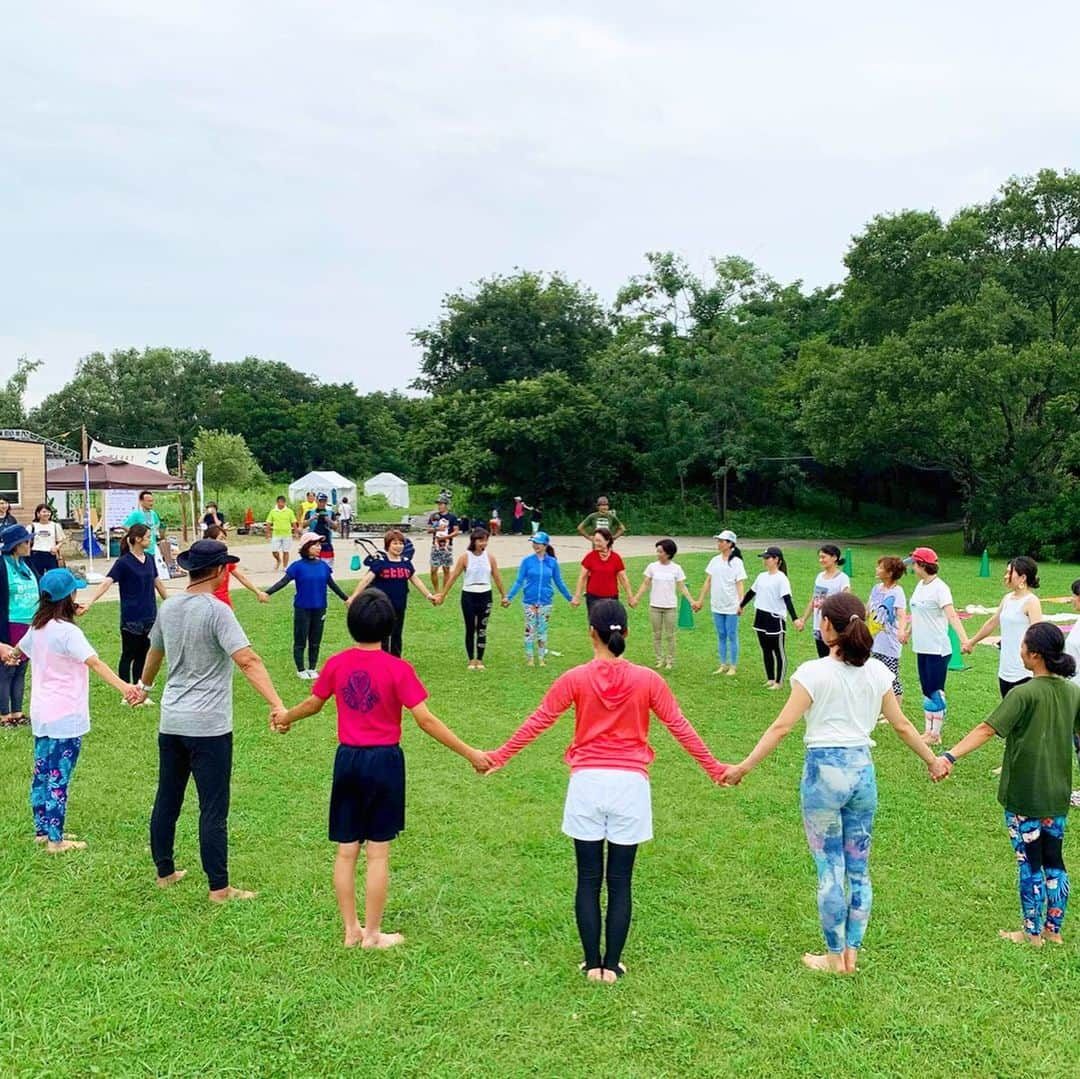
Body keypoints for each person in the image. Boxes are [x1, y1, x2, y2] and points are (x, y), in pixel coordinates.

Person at [481, 599, 728, 982]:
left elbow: (539, 721)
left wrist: (499, 756)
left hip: (588, 785)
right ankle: (611, 964)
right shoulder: (648, 679)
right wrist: (713, 769)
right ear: (625, 632)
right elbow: (680, 726)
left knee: (588, 878)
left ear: (591, 633)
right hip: (630, 787)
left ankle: (590, 961)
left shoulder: (576, 678)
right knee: (620, 881)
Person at [723, 593, 947, 974]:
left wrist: (744, 767)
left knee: (830, 869)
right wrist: (933, 760)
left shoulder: (813, 673)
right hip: (862, 772)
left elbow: (781, 727)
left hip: (823, 775)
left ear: (827, 626)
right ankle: (852, 956)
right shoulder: (878, 673)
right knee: (858, 869)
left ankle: (834, 956)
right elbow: (902, 724)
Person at [270, 590, 490, 948]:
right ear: (390, 626)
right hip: (384, 762)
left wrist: (285, 717)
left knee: (346, 850)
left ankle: (350, 930)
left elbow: (313, 704)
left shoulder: (337, 663)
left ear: (350, 623)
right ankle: (372, 934)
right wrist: (470, 753)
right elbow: (426, 720)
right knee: (378, 852)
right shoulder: (398, 669)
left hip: (348, 760)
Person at [139, 539, 285, 902]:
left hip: (171, 720)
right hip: (209, 726)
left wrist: (144, 685)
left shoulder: (169, 606)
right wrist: (277, 704)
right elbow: (248, 660)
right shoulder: (218, 610)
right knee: (213, 807)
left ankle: (165, 872)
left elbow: (154, 652)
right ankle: (219, 888)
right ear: (220, 571)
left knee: (168, 797)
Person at [939, 622, 1080, 946]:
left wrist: (949, 756)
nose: (1018, 650)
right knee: (1054, 861)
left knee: (1030, 863)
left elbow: (987, 729)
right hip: (1057, 793)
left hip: (1024, 795)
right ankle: (1053, 932)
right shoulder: (1073, 692)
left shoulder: (1024, 693)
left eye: (1022, 646)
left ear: (1034, 655)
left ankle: (1031, 933)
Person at [0, 569, 141, 853]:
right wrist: (126, 688)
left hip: (42, 713)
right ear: (69, 597)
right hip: (65, 716)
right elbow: (95, 663)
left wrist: (8, 653)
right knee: (58, 777)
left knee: (42, 773)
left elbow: (16, 653)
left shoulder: (37, 628)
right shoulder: (68, 632)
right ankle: (56, 840)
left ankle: (43, 830)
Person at [79, 523, 169, 694]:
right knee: (128, 654)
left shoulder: (149, 559)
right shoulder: (123, 563)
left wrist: (172, 604)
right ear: (137, 539)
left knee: (143, 655)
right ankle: (125, 690)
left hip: (150, 615)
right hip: (131, 617)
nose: (151, 540)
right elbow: (106, 583)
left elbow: (158, 584)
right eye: (148, 537)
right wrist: (90, 602)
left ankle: (139, 689)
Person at [905, 546, 969, 745]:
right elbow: (915, 612)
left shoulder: (940, 588)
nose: (912, 568)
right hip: (921, 647)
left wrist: (965, 639)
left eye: (914, 564)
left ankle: (935, 734)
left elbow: (951, 615)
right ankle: (928, 731)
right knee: (926, 689)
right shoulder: (920, 586)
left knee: (935, 690)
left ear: (922, 565)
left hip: (937, 649)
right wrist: (907, 632)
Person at [265, 532, 349, 678]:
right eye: (315, 544)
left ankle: (312, 667)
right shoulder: (297, 566)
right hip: (302, 608)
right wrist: (267, 593)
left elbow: (332, 585)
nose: (319, 547)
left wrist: (346, 599)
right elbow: (283, 582)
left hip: (320, 607)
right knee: (301, 639)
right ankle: (301, 669)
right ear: (306, 547)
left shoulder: (323, 566)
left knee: (315, 640)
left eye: (319, 544)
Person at [346, 529, 437, 657]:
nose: (398, 546)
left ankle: (395, 660)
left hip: (399, 604)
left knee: (396, 633)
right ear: (387, 545)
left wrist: (429, 595)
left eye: (401, 543)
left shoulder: (405, 562)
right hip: (382, 606)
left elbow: (415, 579)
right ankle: (381, 659)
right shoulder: (380, 562)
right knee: (382, 634)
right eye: (395, 543)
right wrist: (354, 596)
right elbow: (367, 579)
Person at [963, 556, 1044, 698]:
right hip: (1005, 669)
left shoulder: (1031, 602)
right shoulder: (1007, 598)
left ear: (1022, 577)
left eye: (1009, 573)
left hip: (1024, 672)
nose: (1006, 576)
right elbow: (992, 622)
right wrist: (971, 642)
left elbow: (1038, 635)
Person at [438, 527, 507, 670]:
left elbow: (497, 577)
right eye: (480, 540)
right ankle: (471, 659)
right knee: (470, 628)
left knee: (482, 628)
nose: (483, 544)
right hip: (469, 595)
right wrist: (443, 594)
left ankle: (480, 659)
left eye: (485, 541)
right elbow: (453, 577)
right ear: (474, 541)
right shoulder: (465, 557)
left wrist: (503, 595)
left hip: (485, 594)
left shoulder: (490, 557)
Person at [503, 532, 573, 667]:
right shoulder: (527, 561)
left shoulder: (552, 563)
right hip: (529, 601)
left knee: (542, 630)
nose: (535, 545)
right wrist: (509, 597)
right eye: (534, 543)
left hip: (545, 602)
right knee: (530, 630)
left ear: (545, 545)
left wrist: (570, 598)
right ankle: (530, 658)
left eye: (538, 543)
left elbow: (559, 582)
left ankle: (541, 657)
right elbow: (519, 581)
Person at [738, 546, 797, 690]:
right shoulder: (761, 576)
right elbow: (751, 593)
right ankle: (770, 678)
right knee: (765, 649)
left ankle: (779, 681)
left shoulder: (781, 579)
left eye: (767, 558)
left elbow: (787, 599)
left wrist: (795, 618)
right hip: (761, 616)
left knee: (778, 650)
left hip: (774, 618)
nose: (765, 561)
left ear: (776, 559)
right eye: (764, 558)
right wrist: (741, 605)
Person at [633, 539, 696, 671]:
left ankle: (670, 660)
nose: (658, 553)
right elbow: (646, 583)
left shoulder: (676, 568)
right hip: (655, 606)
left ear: (668, 553)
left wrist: (692, 601)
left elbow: (682, 587)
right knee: (656, 634)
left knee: (670, 635)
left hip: (670, 607)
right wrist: (636, 598)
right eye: (657, 551)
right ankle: (659, 659)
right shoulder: (652, 567)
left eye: (660, 551)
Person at [0, 524, 39, 726]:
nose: (29, 544)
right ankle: (3, 714)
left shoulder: (26, 564)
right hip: (11, 624)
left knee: (22, 668)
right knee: (8, 669)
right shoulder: (2, 565)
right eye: (25, 541)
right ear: (15, 545)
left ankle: (17, 712)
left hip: (29, 624)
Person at [694, 529, 747, 676]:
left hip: (731, 605)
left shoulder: (736, 562)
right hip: (717, 604)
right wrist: (700, 599)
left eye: (721, 541)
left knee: (732, 634)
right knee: (721, 634)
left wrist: (741, 603)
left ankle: (733, 666)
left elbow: (740, 583)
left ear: (730, 544)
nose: (718, 543)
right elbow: (708, 581)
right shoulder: (714, 560)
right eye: (718, 541)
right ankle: (723, 664)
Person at [866, 557, 909, 710]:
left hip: (890, 642)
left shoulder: (897, 592)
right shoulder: (876, 588)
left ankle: (896, 710)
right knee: (876, 674)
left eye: (880, 567)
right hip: (874, 639)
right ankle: (881, 707)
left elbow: (902, 614)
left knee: (892, 677)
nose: (877, 569)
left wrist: (902, 631)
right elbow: (868, 608)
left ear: (890, 573)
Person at [795, 545, 851, 658]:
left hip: (833, 627)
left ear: (834, 557)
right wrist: (803, 619)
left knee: (835, 658)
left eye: (823, 557)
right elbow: (814, 599)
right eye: (819, 557)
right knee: (822, 657)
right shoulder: (819, 577)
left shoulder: (842, 578)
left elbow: (846, 601)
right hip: (818, 625)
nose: (821, 560)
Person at [572, 528, 634, 617]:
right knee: (595, 626)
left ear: (607, 541)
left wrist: (630, 597)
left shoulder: (616, 558)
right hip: (593, 598)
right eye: (594, 540)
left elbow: (623, 579)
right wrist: (577, 596)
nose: (596, 543)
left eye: (599, 541)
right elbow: (582, 577)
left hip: (611, 598)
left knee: (610, 625)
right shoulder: (590, 557)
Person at [203, 526, 269, 608]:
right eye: (221, 538)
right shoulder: (202, 562)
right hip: (208, 603)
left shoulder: (226, 560)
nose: (225, 542)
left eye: (225, 539)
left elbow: (241, 577)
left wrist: (258, 592)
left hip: (224, 604)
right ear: (210, 540)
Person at [123, 490, 168, 580]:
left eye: (152, 501)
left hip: (151, 546)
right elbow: (125, 526)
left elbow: (157, 524)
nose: (151, 503)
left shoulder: (153, 514)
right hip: (140, 547)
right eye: (148, 501)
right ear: (141, 501)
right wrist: (136, 534)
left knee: (151, 567)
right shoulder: (136, 514)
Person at [426, 497, 460, 592]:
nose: (439, 506)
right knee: (433, 569)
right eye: (438, 504)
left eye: (441, 504)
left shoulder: (452, 517)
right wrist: (437, 529)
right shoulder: (434, 516)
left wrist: (445, 537)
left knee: (446, 569)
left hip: (447, 545)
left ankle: (444, 590)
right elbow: (429, 530)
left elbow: (456, 531)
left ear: (446, 505)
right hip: (436, 545)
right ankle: (437, 590)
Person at [29, 504, 65, 576]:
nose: (46, 514)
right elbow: (26, 542)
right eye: (44, 512)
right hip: (36, 554)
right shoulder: (32, 526)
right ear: (38, 514)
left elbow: (62, 541)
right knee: (37, 577)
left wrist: (57, 547)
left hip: (51, 555)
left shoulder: (55, 526)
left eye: (48, 512)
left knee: (53, 577)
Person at [265, 495, 297, 570]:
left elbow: (294, 522)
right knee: (274, 551)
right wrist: (267, 532)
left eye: (282, 502)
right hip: (276, 534)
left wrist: (296, 532)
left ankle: (285, 566)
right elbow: (269, 522)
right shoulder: (273, 511)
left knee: (286, 551)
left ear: (285, 503)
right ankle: (278, 560)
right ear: (277, 502)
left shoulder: (289, 511)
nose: (281, 504)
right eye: (279, 502)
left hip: (287, 534)